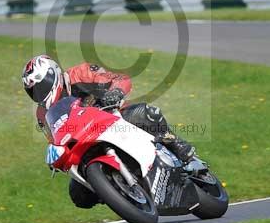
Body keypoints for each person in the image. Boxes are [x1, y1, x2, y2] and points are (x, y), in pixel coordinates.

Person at [21, 54, 196, 209]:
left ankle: (178, 147)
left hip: (114, 119)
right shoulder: (42, 114)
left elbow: (120, 79)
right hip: (84, 143)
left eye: (41, 86)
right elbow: (54, 139)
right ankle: (116, 191)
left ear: (54, 75)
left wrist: (116, 92)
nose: (38, 94)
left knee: (145, 114)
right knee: (78, 196)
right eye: (33, 92)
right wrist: (55, 155)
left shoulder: (81, 73)